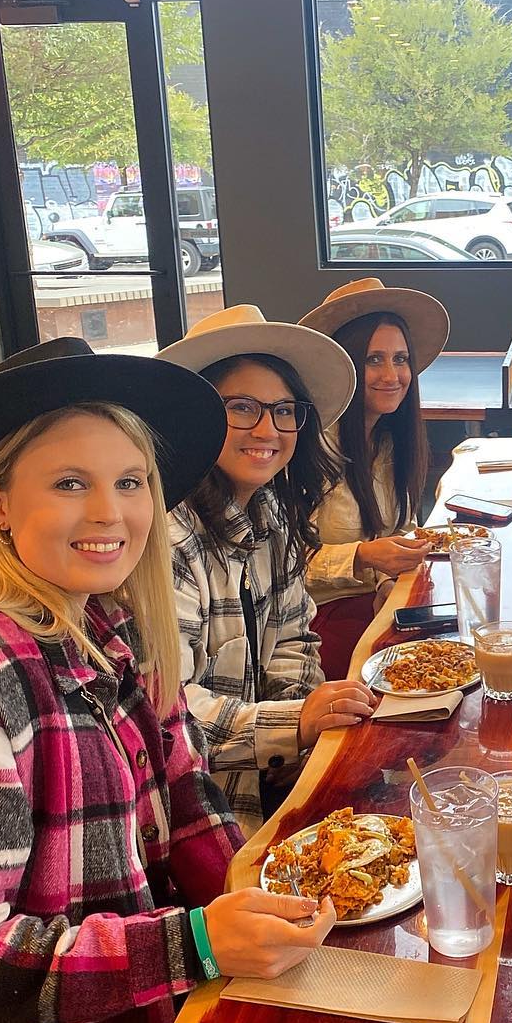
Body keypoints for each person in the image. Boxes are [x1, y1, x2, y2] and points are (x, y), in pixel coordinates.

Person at [0, 339, 336, 1023]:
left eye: (131, 482)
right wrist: (193, 943)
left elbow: (184, 790)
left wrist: (262, 890)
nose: (111, 513)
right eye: (71, 483)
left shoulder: (115, 628)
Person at [158, 305, 379, 835]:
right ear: (195, 415)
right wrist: (291, 726)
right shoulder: (167, 537)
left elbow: (295, 640)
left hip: (268, 791)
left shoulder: (271, 514)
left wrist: (293, 747)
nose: (268, 428)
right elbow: (168, 714)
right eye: (241, 408)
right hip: (197, 819)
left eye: (284, 410)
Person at [299, 278, 448, 679]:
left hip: (377, 605)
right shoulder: (306, 448)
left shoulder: (390, 440)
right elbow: (282, 565)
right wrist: (363, 557)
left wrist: (385, 583)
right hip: (316, 622)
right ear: (343, 366)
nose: (392, 374)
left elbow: (397, 531)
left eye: (401, 359)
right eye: (373, 359)